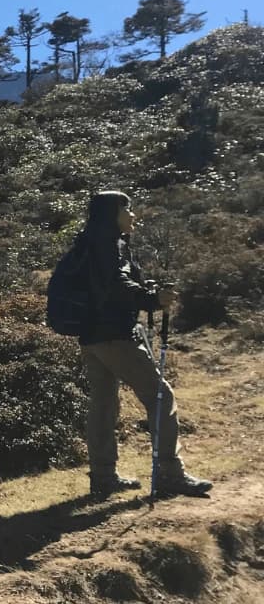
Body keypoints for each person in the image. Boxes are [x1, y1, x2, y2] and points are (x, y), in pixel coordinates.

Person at [75, 190, 213, 498]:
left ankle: (103, 476)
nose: (133, 215)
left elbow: (109, 285)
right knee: (160, 396)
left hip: (91, 336)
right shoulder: (109, 244)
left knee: (103, 404)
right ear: (113, 214)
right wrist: (151, 298)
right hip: (115, 335)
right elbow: (117, 286)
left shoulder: (87, 243)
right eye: (127, 209)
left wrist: (142, 291)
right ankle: (169, 472)